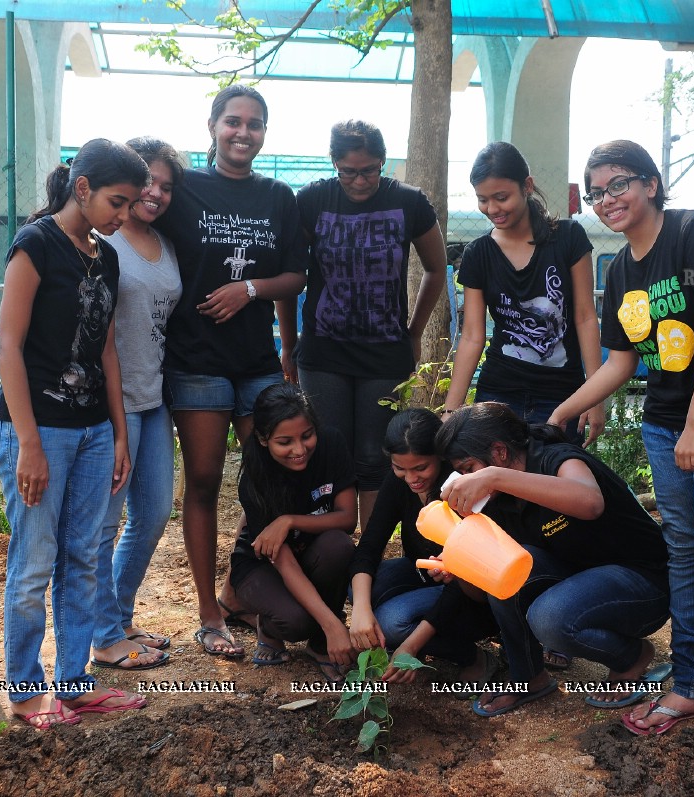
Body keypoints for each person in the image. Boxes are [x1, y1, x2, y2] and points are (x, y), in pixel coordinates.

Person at [550, 140, 694, 738]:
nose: (607, 199)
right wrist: (564, 411)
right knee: (682, 553)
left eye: (618, 184)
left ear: (652, 184)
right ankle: (688, 687)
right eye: (596, 192)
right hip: (665, 420)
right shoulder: (621, 269)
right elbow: (620, 361)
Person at [0, 139, 151, 728]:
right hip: (37, 432)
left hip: (89, 434)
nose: (124, 214)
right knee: (33, 563)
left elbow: (106, 350)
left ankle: (76, 683)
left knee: (83, 558)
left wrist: (118, 434)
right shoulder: (35, 246)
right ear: (81, 188)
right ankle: (26, 691)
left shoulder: (104, 255)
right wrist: (29, 443)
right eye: (117, 200)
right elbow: (7, 345)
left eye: (132, 203)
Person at [155, 85, 307, 657]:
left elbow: (295, 275)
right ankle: (208, 613)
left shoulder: (278, 197)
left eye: (255, 124)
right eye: (233, 122)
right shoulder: (185, 189)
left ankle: (240, 592)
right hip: (195, 362)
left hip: (256, 364)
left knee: (270, 483)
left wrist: (248, 290)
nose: (244, 133)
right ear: (214, 125)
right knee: (202, 484)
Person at [436, 402, 670, 718]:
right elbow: (483, 592)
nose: (464, 480)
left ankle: (631, 657)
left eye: (467, 469)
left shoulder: (555, 458)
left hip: (643, 583)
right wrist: (460, 564)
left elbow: (590, 503)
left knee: (550, 617)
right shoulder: (494, 499)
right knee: (501, 562)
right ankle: (528, 677)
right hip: (581, 580)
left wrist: (494, 477)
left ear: (500, 452)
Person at [282, 120, 448, 533]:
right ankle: (335, 547)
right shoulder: (313, 199)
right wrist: (289, 343)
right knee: (330, 453)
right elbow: (289, 276)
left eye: (370, 169)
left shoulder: (408, 201)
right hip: (323, 352)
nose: (360, 180)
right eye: (349, 171)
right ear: (334, 163)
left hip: (383, 352)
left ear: (383, 163)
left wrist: (413, 331)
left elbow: (436, 267)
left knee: (374, 458)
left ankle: (368, 558)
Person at [90, 137, 184, 671]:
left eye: (167, 186)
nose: (156, 193)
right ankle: (104, 636)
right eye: (147, 181)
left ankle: (120, 618)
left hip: (153, 398)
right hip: (110, 404)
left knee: (151, 513)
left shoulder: (163, 243)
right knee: (105, 523)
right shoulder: (105, 240)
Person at [442, 142, 605, 450]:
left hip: (564, 395)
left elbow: (585, 317)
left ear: (527, 186)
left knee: (554, 489)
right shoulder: (479, 253)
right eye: (482, 200)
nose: (492, 209)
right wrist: (452, 410)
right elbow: (473, 336)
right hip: (498, 392)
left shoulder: (569, 238)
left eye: (501, 198)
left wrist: (594, 394)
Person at [348, 408, 499, 685]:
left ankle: (472, 656)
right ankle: (412, 634)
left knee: (393, 623)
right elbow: (369, 546)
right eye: (400, 468)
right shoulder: (398, 483)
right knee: (360, 590)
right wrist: (359, 611)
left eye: (420, 468)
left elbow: (464, 584)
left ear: (440, 457)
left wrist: (412, 645)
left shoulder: (458, 490)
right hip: (423, 575)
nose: (411, 478)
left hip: (469, 593)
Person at [227, 383, 357, 682]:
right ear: (262, 439)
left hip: (313, 552)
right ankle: (269, 628)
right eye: (285, 442)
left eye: (307, 436)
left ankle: (320, 644)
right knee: (297, 622)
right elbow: (283, 562)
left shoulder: (332, 444)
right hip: (263, 566)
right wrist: (334, 625)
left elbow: (348, 519)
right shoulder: (255, 479)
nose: (299, 450)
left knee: (339, 546)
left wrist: (288, 520)